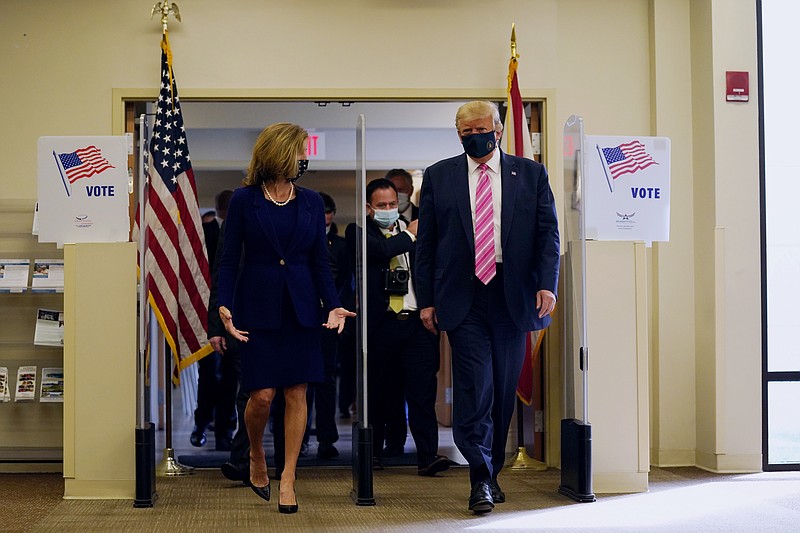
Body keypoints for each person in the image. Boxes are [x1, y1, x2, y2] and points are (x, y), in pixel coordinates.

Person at [415, 101, 560, 513]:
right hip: (464, 298)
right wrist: (426, 300)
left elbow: (548, 234)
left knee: (501, 392)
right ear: (458, 134)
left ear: (497, 130)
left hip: (513, 296)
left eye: (480, 128)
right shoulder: (440, 176)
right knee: (473, 387)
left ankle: (492, 470)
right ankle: (478, 476)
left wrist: (547, 285)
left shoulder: (529, 173)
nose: (473, 136)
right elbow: (426, 246)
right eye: (465, 131)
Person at [216, 122, 355, 513]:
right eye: (297, 152)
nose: (302, 159)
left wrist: (332, 303)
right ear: (278, 154)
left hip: (302, 309)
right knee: (261, 395)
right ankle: (257, 453)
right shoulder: (245, 201)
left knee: (297, 392)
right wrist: (223, 304)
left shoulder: (310, 201)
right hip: (257, 309)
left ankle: (289, 476)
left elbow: (318, 262)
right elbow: (229, 261)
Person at [345, 178, 451, 476]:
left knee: (421, 393)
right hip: (381, 326)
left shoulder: (416, 230)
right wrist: (410, 235)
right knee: (378, 393)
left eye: (393, 204)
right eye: (382, 206)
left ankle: (428, 456)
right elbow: (381, 251)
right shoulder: (361, 232)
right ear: (369, 208)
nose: (389, 209)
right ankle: (373, 454)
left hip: (417, 324)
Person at [193, 200, 237, 451]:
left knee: (230, 379)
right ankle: (201, 424)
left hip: (233, 316)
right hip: (206, 315)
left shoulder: (242, 230)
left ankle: (224, 431)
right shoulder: (206, 232)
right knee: (208, 377)